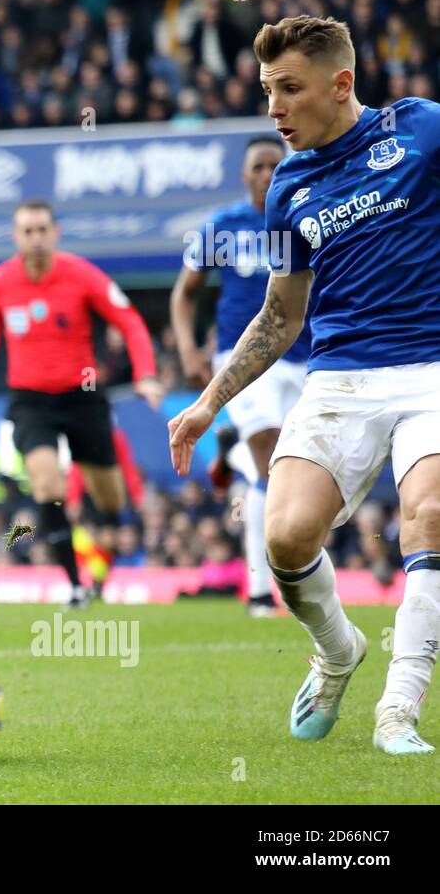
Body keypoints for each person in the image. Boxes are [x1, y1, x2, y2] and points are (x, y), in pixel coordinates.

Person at [169, 16, 440, 755]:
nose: (274, 109)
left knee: (431, 516)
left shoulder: (420, 131)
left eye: (288, 89)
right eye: (266, 91)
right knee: (285, 535)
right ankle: (337, 650)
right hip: (340, 376)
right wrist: (208, 401)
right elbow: (281, 315)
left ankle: (399, 710)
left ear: (341, 83)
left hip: (432, 372)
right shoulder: (287, 186)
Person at [0, 199, 163, 609]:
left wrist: (146, 373)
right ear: (16, 237)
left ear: (55, 232)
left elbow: (129, 321)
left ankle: (100, 568)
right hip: (30, 401)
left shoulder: (81, 275)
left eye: (42, 230)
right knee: (48, 486)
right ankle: (72, 585)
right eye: (27, 231)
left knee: (110, 499)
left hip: (83, 398)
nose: (35, 239)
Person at [170, 133, 313, 618]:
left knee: (299, 472)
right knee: (269, 465)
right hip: (242, 358)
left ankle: (284, 582)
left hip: (307, 356)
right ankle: (260, 592)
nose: (267, 174)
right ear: (245, 175)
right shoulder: (223, 226)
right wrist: (189, 350)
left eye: (275, 164)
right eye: (259, 166)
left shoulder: (305, 215)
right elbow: (185, 292)